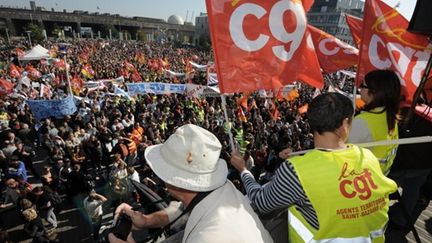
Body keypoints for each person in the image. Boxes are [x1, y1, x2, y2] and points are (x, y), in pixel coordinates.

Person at [231, 93, 397, 243]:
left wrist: (244, 170)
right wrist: (302, 159)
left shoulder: (295, 171)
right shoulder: (367, 156)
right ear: (345, 124)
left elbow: (261, 202)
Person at [108, 124, 272, 243]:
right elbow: (181, 211)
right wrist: (146, 220)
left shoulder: (208, 238)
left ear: (174, 179)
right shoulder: (224, 189)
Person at [347, 70, 401, 175]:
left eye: (363, 85)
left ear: (374, 92)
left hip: (361, 181)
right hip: (378, 178)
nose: (360, 88)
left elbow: (343, 155)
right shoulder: (391, 116)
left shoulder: (362, 122)